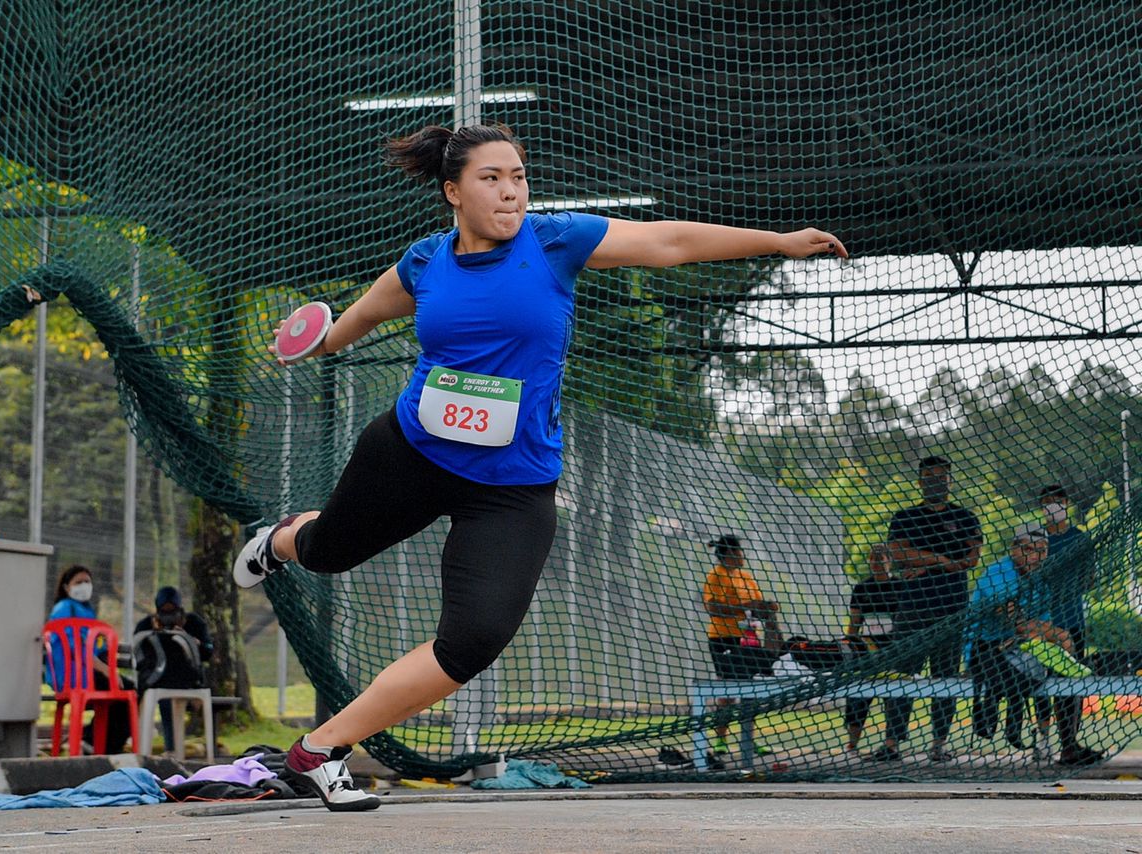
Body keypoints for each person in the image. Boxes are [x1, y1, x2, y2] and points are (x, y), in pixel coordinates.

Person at [231, 123, 847, 810]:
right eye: (492, 177)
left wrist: (780, 243)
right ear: (453, 192)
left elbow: (668, 243)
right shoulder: (425, 262)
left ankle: (320, 750)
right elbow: (357, 320)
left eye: (518, 176)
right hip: (411, 453)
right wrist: (312, 342)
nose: (511, 190)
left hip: (513, 485)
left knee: (473, 641)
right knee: (327, 553)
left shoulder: (556, 241)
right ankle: (284, 537)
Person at [868, 455, 981, 763]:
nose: (936, 482)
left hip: (951, 609)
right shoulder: (905, 517)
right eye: (929, 477)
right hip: (913, 609)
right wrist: (942, 561)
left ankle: (938, 744)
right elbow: (897, 554)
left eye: (941, 477)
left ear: (950, 480)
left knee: (944, 678)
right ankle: (892, 743)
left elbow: (970, 560)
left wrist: (921, 560)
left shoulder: (966, 517)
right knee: (901, 676)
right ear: (920, 482)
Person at [969, 526, 1071, 759]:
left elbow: (1039, 628)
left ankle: (1044, 739)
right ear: (1014, 549)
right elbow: (1013, 616)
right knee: (1032, 664)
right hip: (986, 647)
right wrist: (1058, 634)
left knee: (1042, 661)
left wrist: (1051, 638)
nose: (1035, 556)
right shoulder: (997, 573)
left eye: (1042, 551)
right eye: (1028, 549)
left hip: (1021, 646)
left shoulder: (1041, 579)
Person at [701, 534, 780, 766]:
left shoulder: (746, 578)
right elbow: (713, 607)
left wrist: (766, 607)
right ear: (728, 554)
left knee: (750, 688)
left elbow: (756, 608)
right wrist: (744, 607)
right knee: (727, 690)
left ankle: (748, 739)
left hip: (748, 638)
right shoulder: (715, 576)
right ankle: (720, 740)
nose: (742, 556)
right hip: (724, 638)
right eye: (738, 552)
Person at [1038, 484, 1103, 766]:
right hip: (1039, 623)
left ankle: (1068, 744)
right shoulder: (1037, 539)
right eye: (1047, 503)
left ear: (1066, 504)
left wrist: (1069, 578)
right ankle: (1041, 740)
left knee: (1070, 684)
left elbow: (1089, 580)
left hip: (1072, 622)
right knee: (1039, 681)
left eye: (1057, 501)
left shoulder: (1079, 539)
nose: (1053, 507)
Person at [45, 565, 132, 755]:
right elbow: (75, 648)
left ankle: (93, 742)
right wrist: (105, 669)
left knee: (125, 692)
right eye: (79, 582)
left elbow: (94, 645)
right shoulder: (65, 608)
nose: (84, 586)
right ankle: (99, 745)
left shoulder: (85, 610)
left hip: (86, 671)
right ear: (67, 587)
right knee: (129, 691)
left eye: (87, 581)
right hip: (73, 675)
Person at [132, 585, 215, 753]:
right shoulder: (145, 627)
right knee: (162, 698)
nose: (169, 617)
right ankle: (167, 747)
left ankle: (176, 748)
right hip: (158, 679)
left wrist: (192, 641)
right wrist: (157, 635)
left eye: (173, 611)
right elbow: (140, 656)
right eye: (164, 612)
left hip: (186, 679)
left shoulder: (194, 623)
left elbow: (208, 651)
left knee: (171, 696)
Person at [842, 543, 900, 753]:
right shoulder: (862, 588)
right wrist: (850, 643)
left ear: (889, 561)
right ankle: (852, 743)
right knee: (858, 696)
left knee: (894, 696)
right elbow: (854, 622)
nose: (876, 564)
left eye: (880, 559)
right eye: (873, 560)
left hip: (893, 649)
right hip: (866, 648)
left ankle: (891, 743)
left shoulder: (900, 586)